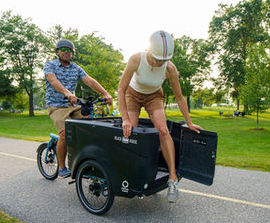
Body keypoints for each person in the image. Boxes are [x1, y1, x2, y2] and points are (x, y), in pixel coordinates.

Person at [117, 30, 202, 203]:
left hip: (154, 96)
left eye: (164, 60)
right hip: (132, 95)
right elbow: (121, 89)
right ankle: (133, 171)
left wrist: (189, 122)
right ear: (149, 51)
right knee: (130, 131)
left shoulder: (170, 68)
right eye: (157, 59)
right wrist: (125, 118)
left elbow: (179, 97)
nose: (160, 63)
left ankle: (172, 179)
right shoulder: (136, 59)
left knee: (163, 130)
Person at [44, 39, 112, 178]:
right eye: (63, 49)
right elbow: (53, 81)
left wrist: (105, 93)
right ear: (57, 51)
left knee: (91, 125)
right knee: (64, 133)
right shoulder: (50, 65)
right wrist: (67, 93)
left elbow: (89, 80)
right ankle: (62, 168)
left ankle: (85, 158)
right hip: (56, 106)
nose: (66, 52)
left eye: (69, 50)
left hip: (73, 106)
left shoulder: (76, 68)